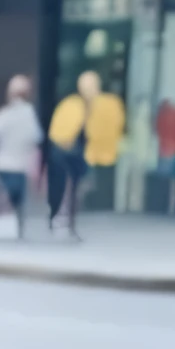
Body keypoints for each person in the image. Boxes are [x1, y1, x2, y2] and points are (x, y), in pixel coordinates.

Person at [46, 68, 109, 237]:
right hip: (65, 152)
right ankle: (58, 219)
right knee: (61, 187)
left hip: (76, 153)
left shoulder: (93, 107)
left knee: (74, 188)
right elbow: (59, 133)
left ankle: (68, 221)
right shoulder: (73, 105)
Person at [0, 73, 42, 235]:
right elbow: (36, 137)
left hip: (2, 164)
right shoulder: (31, 115)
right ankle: (18, 229)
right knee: (19, 203)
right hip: (21, 166)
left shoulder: (2, 115)